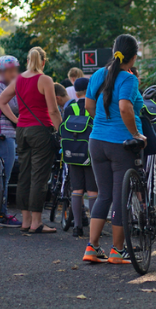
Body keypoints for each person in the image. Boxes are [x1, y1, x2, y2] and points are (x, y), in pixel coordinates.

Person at [81, 34, 146, 264]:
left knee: (103, 195)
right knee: (119, 197)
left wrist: (102, 123)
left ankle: (92, 247)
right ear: (134, 56)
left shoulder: (99, 74)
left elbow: (88, 105)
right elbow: (125, 108)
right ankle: (117, 251)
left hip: (96, 141)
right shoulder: (128, 79)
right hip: (121, 145)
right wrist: (136, 134)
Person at [0, 47, 62, 234]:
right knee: (39, 177)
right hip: (40, 130)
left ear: (27, 61)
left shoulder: (18, 80)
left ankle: (25, 221)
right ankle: (36, 222)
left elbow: (1, 101)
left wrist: (16, 120)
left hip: (22, 131)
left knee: (24, 175)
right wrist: (61, 131)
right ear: (43, 61)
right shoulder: (45, 80)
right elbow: (53, 110)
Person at [61, 77, 98, 238]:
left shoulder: (70, 108)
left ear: (75, 92)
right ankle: (94, 227)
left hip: (72, 153)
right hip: (90, 153)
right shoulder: (94, 106)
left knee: (77, 189)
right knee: (92, 190)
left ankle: (77, 227)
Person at [0, 55, 23, 228]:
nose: (14, 73)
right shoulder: (1, 88)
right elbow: (15, 107)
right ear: (3, 72)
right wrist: (18, 121)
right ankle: (1, 213)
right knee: (4, 177)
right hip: (5, 134)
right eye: (11, 70)